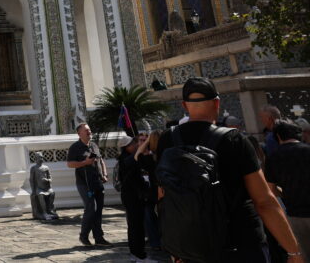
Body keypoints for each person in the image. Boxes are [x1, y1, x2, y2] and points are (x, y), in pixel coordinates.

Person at [156, 78, 303, 262]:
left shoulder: (166, 140)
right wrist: (294, 251)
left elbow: (163, 196)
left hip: (191, 247)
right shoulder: (235, 140)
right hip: (240, 244)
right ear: (217, 102)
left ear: (184, 105)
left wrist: (176, 246)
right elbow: (264, 201)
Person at [264, 120, 310, 258]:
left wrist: (285, 194)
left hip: (294, 214)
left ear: (278, 136)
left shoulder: (273, 157)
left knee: (303, 254)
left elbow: (271, 190)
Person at [67, 122, 109, 248]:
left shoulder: (94, 145)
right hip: (84, 183)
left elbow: (101, 160)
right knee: (91, 208)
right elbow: (70, 164)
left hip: (97, 182)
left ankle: (99, 237)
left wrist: (105, 174)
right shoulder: (75, 147)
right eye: (86, 130)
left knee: (98, 210)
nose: (89, 132)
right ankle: (83, 236)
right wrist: (84, 162)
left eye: (89, 130)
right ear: (79, 133)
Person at [118, 132, 156, 261]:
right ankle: (138, 254)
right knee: (136, 227)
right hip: (132, 197)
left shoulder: (134, 157)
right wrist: (147, 142)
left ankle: (137, 253)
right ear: (127, 147)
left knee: (138, 226)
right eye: (134, 143)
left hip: (138, 196)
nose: (136, 145)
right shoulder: (126, 159)